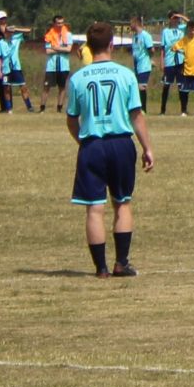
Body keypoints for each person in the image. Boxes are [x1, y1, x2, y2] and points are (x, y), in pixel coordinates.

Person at [64, 21, 152, 278]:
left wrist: (82, 141)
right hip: (121, 143)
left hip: (92, 144)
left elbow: (71, 118)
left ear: (88, 47)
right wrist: (147, 148)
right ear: (112, 45)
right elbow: (136, 115)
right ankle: (121, 263)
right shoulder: (126, 75)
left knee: (94, 207)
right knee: (122, 203)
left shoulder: (78, 78)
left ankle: (100, 268)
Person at [42, 16, 75, 111]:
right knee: (46, 87)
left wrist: (55, 48)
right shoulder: (49, 35)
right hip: (51, 66)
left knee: (62, 87)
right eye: (58, 23)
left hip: (63, 66)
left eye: (62, 23)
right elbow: (48, 51)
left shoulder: (68, 35)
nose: (60, 25)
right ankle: (42, 107)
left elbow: (69, 49)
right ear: (54, 24)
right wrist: (61, 49)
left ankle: (59, 108)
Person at [155, 16, 186, 115]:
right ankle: (162, 110)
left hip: (180, 61)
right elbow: (163, 48)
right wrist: (162, 61)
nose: (175, 20)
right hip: (169, 61)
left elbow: (191, 23)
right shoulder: (165, 31)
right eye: (173, 18)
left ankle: (183, 110)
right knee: (166, 85)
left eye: (176, 18)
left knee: (181, 85)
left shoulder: (182, 29)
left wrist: (180, 15)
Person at [0, 19, 27, 113]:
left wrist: (16, 29)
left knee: (22, 86)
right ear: (5, 33)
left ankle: (29, 106)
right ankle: (9, 108)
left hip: (16, 67)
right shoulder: (0, 43)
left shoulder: (16, 39)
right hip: (6, 68)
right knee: (6, 88)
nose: (10, 35)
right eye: (8, 33)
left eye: (11, 33)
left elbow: (29, 31)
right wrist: (0, 71)